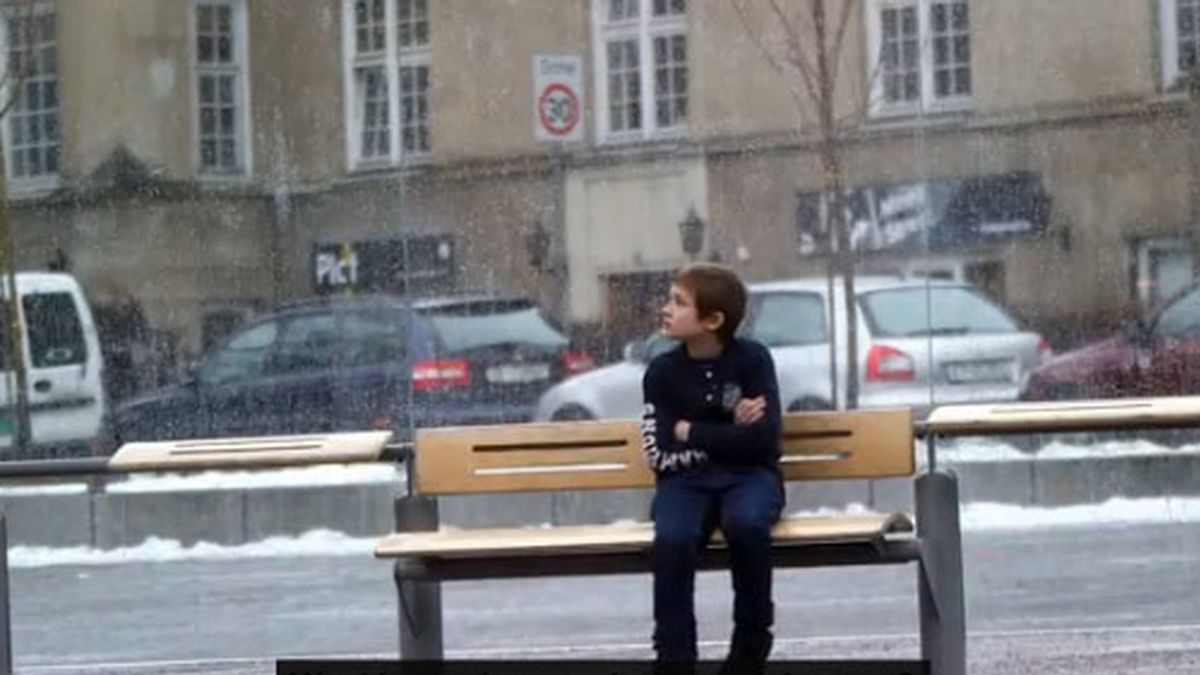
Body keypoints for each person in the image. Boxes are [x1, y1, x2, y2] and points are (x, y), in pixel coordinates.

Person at [641, 262, 784, 673]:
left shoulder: (753, 361)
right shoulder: (662, 372)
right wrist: (729, 432)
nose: (666, 308)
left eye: (678, 302)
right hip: (683, 482)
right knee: (673, 537)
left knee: (746, 524)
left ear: (713, 320)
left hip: (751, 478)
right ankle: (674, 653)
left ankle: (751, 644)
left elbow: (763, 441)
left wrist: (694, 431)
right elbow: (661, 451)